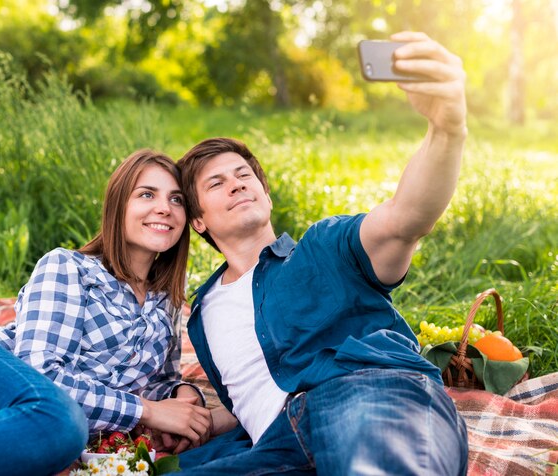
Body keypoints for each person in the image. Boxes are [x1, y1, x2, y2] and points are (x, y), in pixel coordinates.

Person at [175, 32, 469, 475]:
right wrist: (201, 420)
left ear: (266, 197)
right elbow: (255, 390)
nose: (236, 183)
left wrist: (446, 131)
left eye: (244, 175)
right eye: (216, 183)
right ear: (198, 221)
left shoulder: (323, 247)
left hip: (365, 393)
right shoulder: (202, 313)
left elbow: (406, 217)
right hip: (271, 444)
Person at [0, 149, 212, 475]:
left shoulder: (167, 303)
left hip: (18, 419)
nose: (164, 208)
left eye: (176, 199)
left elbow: (155, 383)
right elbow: (41, 375)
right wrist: (147, 411)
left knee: (57, 434)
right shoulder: (69, 267)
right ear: (118, 206)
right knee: (61, 422)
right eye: (147, 194)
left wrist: (181, 394)